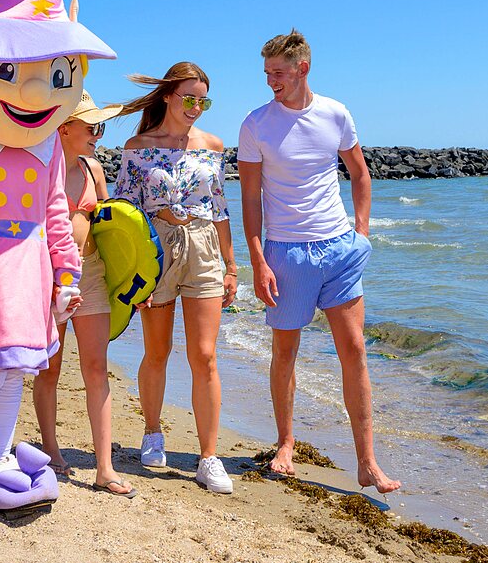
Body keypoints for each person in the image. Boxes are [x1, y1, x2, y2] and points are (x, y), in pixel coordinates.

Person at [237, 29, 400, 495]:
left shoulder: (335, 113)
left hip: (339, 249)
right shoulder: (255, 124)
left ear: (302, 68)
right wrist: (257, 259)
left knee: (355, 351)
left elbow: (360, 173)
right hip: (286, 253)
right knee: (285, 352)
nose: (271, 80)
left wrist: (362, 233)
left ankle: (367, 463)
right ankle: (285, 443)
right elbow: (251, 197)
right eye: (267, 73)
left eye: (279, 72)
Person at [115, 62, 237, 495]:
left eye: (203, 100)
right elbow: (124, 211)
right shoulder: (138, 146)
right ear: (168, 95)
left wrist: (232, 265)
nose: (196, 107)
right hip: (157, 250)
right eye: (189, 97)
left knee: (204, 355)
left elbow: (220, 208)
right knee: (158, 350)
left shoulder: (213, 146)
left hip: (203, 248)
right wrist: (131, 272)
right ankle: (152, 432)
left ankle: (208, 457)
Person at [32, 92, 135, 497]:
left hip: (91, 274)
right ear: (64, 128)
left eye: (100, 128)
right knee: (49, 370)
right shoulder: (39, 167)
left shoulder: (94, 169)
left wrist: (130, 279)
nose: (98, 135)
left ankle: (104, 467)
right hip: (48, 277)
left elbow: (111, 229)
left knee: (96, 368)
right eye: (91, 128)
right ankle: (52, 452)